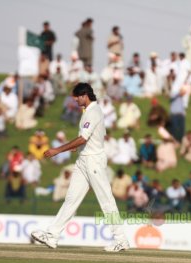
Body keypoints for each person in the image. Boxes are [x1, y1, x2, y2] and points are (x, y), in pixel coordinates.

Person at [31, 82, 129, 252]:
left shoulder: (94, 111)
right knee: (71, 199)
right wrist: (77, 147)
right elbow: (88, 139)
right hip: (83, 160)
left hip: (93, 161)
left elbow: (83, 139)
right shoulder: (88, 112)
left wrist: (57, 150)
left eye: (76, 96)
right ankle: (52, 235)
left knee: (106, 200)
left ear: (84, 95)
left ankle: (120, 239)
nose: (74, 100)